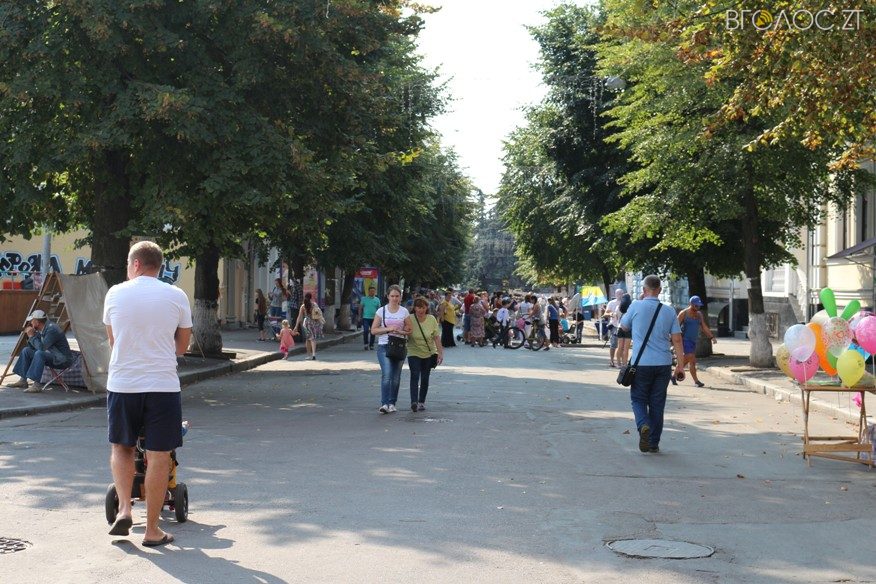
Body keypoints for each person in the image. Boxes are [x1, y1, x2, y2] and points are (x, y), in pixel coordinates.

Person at [103, 241, 192, 546]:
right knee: (159, 455)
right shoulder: (177, 295)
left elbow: (113, 341)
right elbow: (182, 347)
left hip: (123, 384)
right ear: (159, 266)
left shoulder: (114, 293)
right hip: (162, 386)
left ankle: (125, 510)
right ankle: (152, 530)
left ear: (136, 264)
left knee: (122, 448)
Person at [618, 275, 684, 454]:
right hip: (663, 364)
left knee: (638, 399)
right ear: (660, 290)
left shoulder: (636, 306)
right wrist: (680, 365)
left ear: (643, 290)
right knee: (657, 403)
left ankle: (643, 425)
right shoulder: (669, 311)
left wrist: (638, 304)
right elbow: (677, 340)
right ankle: (653, 442)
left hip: (641, 363)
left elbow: (624, 327)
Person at [7, 309, 74, 393]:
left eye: (32, 321)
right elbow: (33, 347)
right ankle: (23, 380)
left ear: (37, 322)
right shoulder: (42, 329)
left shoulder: (52, 329)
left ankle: (36, 385)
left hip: (63, 360)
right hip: (53, 356)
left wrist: (32, 336)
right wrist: (32, 336)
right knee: (26, 350)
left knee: (40, 353)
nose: (31, 323)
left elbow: (41, 348)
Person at [371, 285, 411, 413]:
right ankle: (384, 404)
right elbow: (373, 330)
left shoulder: (404, 312)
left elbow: (410, 330)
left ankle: (392, 403)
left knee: (396, 377)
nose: (394, 298)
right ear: (388, 296)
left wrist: (401, 331)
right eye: (392, 296)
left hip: (399, 346)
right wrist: (388, 329)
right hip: (384, 346)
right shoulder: (381, 311)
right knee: (387, 374)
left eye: (397, 296)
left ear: (400, 297)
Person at [407, 298, 443, 412]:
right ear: (414, 308)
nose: (420, 310)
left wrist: (440, 353)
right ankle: (414, 401)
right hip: (413, 351)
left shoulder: (431, 319)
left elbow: (436, 337)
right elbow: (405, 331)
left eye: (423, 307)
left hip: (429, 352)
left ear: (427, 308)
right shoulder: (409, 318)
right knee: (414, 375)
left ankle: (421, 401)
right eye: (418, 307)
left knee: (425, 377)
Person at [676, 295, 717, 388]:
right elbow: (675, 326)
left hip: (693, 341)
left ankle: (674, 376)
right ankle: (696, 381)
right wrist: (674, 340)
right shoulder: (684, 313)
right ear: (691, 304)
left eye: (699, 305)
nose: (698, 307)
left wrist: (711, 337)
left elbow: (704, 326)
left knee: (690, 361)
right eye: (696, 305)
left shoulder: (699, 314)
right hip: (685, 340)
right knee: (691, 357)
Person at [292, 292, 325, 360]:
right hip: (314, 322)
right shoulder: (314, 304)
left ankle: (309, 355)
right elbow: (318, 313)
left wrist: (296, 326)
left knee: (308, 339)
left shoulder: (303, 306)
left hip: (307, 323)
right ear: (311, 298)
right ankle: (314, 354)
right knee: (313, 338)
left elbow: (299, 317)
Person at [604, 289, 624, 367]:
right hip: (614, 326)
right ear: (615, 295)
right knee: (613, 344)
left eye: (621, 294)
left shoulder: (625, 303)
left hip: (623, 325)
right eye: (618, 294)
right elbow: (605, 313)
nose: (619, 295)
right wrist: (611, 314)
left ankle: (621, 361)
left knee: (622, 345)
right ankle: (612, 361)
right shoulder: (611, 303)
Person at [360, 286, 381, 350]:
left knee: (373, 331)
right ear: (368, 292)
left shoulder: (377, 299)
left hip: (374, 318)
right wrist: (359, 316)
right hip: (366, 318)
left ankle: (371, 345)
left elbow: (379, 309)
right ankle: (366, 344)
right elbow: (360, 308)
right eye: (371, 291)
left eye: (373, 291)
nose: (372, 292)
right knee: (366, 330)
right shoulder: (364, 299)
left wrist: (379, 318)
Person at [615, 292, 633, 366]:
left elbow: (617, 318)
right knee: (626, 348)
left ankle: (618, 363)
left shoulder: (618, 307)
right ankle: (624, 364)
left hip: (620, 327)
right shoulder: (631, 308)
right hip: (628, 328)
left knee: (619, 347)